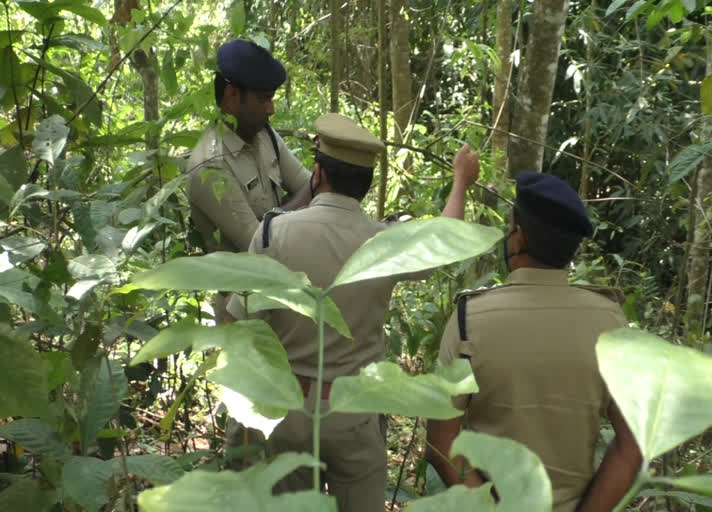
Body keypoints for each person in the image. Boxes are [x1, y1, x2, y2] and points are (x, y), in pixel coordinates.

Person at [227, 113, 479, 511]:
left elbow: (241, 322)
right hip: (356, 414)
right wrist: (461, 181)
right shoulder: (383, 244)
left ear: (318, 173)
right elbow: (448, 241)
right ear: (365, 185)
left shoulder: (274, 233)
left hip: (289, 406)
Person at [426, 172, 642, 512]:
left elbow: (441, 441)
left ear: (518, 238)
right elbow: (633, 445)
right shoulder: (610, 322)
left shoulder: (470, 319)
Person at [186, 40, 312, 320]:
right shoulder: (210, 167)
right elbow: (260, 247)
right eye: (262, 99)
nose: (271, 109)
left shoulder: (264, 135)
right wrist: (294, 210)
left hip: (281, 300)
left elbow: (311, 185)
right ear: (231, 96)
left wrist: (274, 219)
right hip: (242, 312)